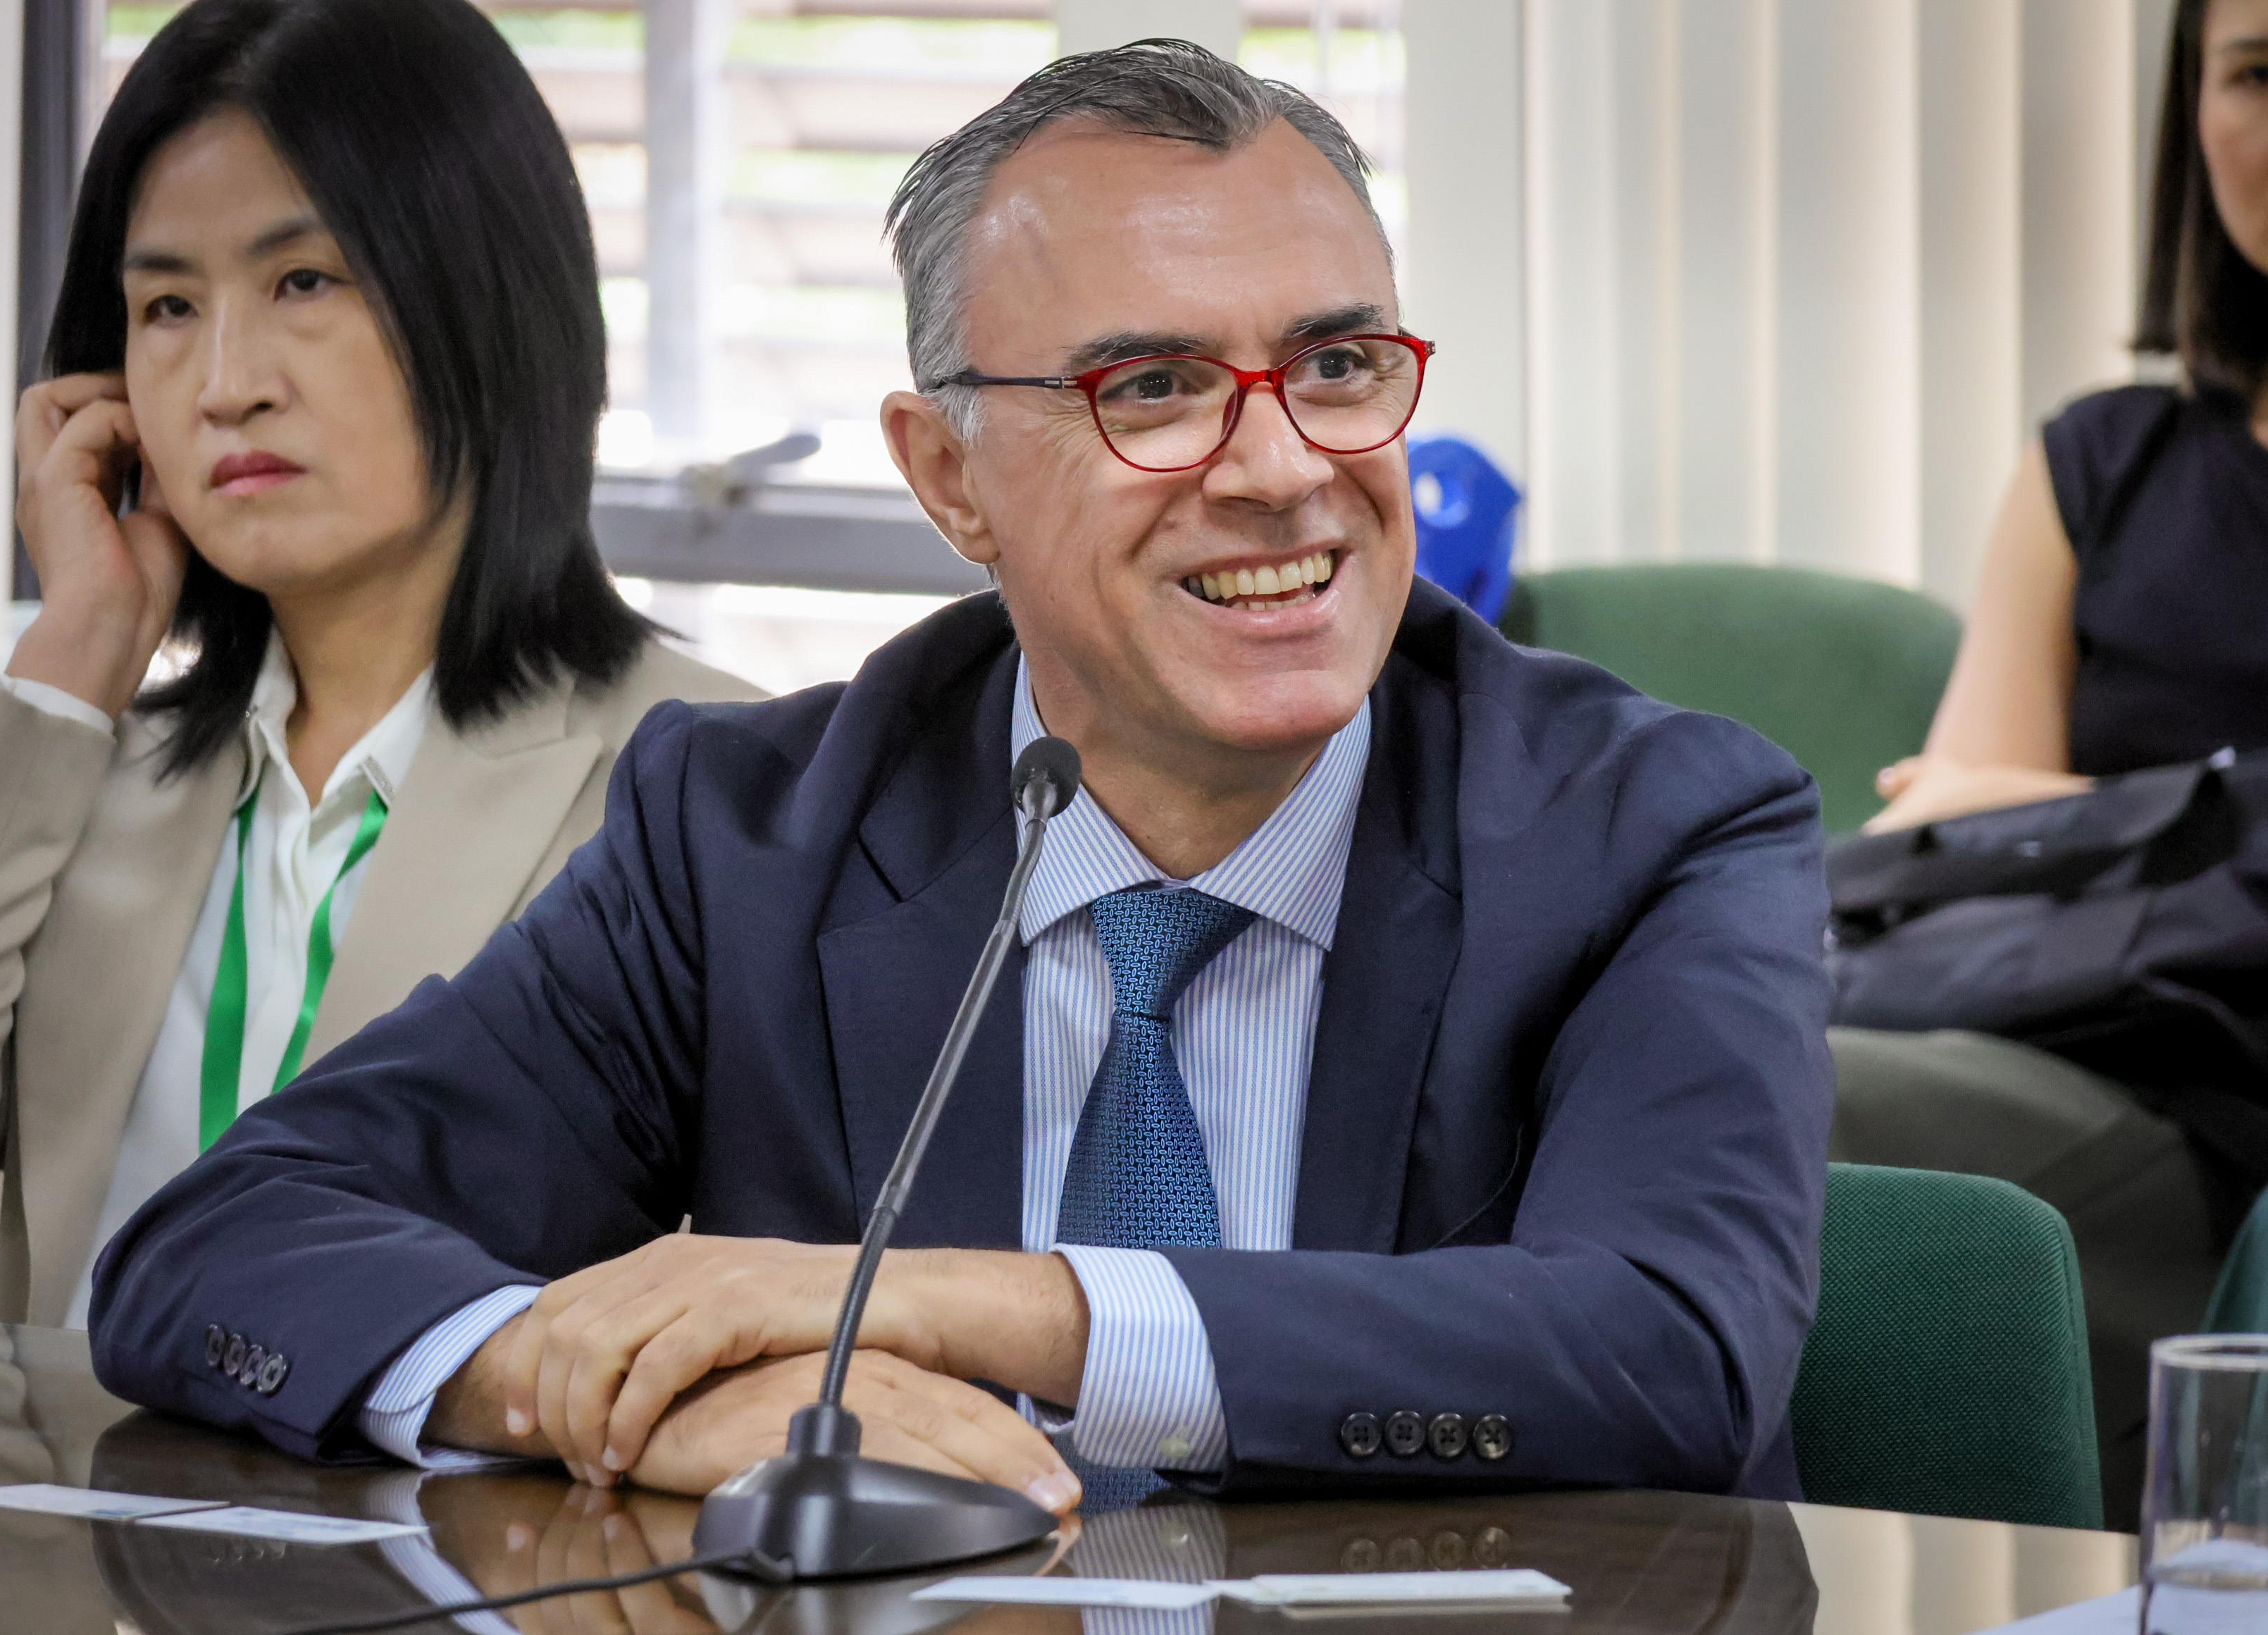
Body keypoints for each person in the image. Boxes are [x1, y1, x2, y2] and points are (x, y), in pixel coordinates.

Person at [92, 40, 1833, 1512]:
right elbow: (221, 1243)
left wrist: (949, 1310)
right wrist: (607, 1385)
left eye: (1335, 366)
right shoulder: (746, 836)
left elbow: (1670, 1349)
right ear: (949, 479)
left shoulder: (1654, 828)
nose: (1279, 467)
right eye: (1154, 387)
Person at [0, 0, 754, 1331]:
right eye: (168, 305)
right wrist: (78, 643)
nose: (225, 383)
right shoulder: (89, 771)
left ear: (487, 298)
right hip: (71, 1478)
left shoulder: (719, 789)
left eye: (304, 282)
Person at [1832, 0, 2268, 1526]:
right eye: (2257, 71)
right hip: (2060, 1030)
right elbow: (1949, 847)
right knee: (1712, 1067)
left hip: (2237, 1098)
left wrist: (2082, 812)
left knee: (1806, 1109)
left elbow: (1998, 799)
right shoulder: (2099, 460)